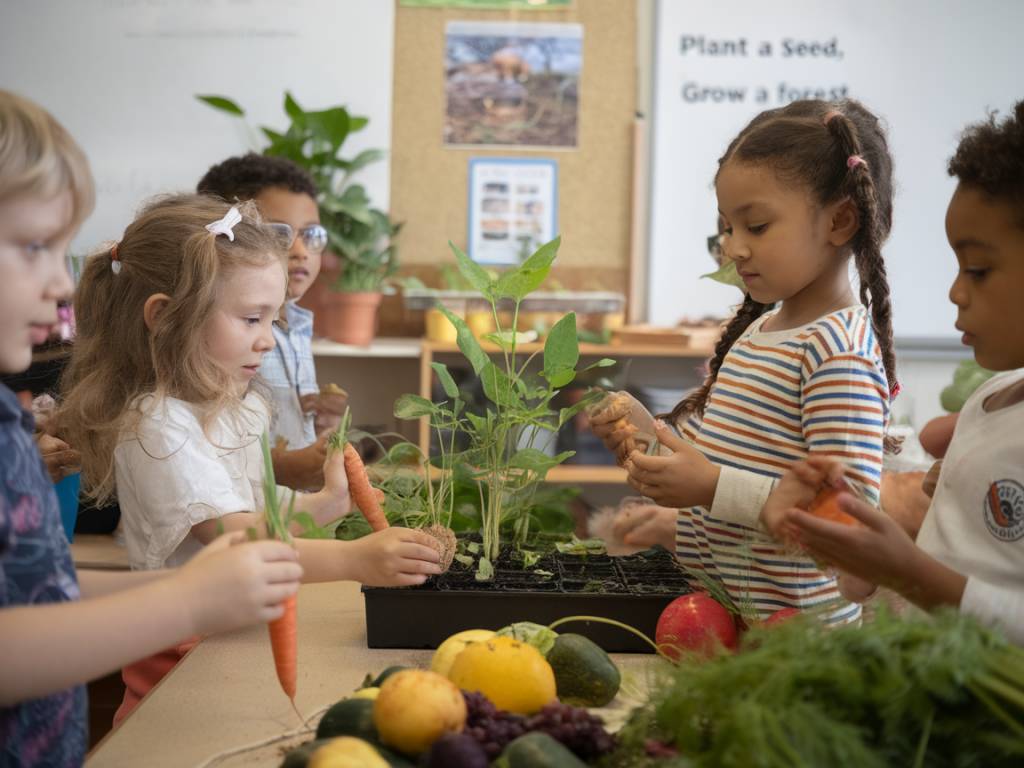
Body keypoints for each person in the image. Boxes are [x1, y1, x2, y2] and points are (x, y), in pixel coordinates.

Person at [0, 90, 305, 767]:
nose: (61, 284)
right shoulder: (153, 420)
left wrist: (192, 593)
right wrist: (188, 601)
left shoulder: (6, 427)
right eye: (33, 246)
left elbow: (45, 594)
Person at [57, 193, 441, 721]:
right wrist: (355, 557)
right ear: (166, 317)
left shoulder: (237, 410)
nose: (266, 340)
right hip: (180, 660)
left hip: (231, 640)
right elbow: (237, 539)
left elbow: (262, 509)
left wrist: (329, 501)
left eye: (274, 320)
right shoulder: (159, 424)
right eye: (251, 319)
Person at [591, 99, 898, 625]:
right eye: (726, 227)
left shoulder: (837, 351)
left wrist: (709, 487)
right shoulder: (762, 331)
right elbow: (744, 471)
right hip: (726, 619)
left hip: (796, 644)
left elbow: (846, 523)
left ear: (840, 220)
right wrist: (655, 442)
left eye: (755, 226)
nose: (733, 247)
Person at [762, 101, 1024, 643]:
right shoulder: (990, 399)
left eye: (978, 269)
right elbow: (954, 558)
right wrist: (855, 537)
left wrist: (905, 569)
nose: (955, 291)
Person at [197, 153, 346, 490]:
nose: (300, 250)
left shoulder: (297, 326)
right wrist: (285, 469)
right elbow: (210, 450)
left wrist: (320, 425)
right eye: (278, 233)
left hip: (296, 512)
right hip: (242, 516)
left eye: (312, 235)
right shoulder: (216, 333)